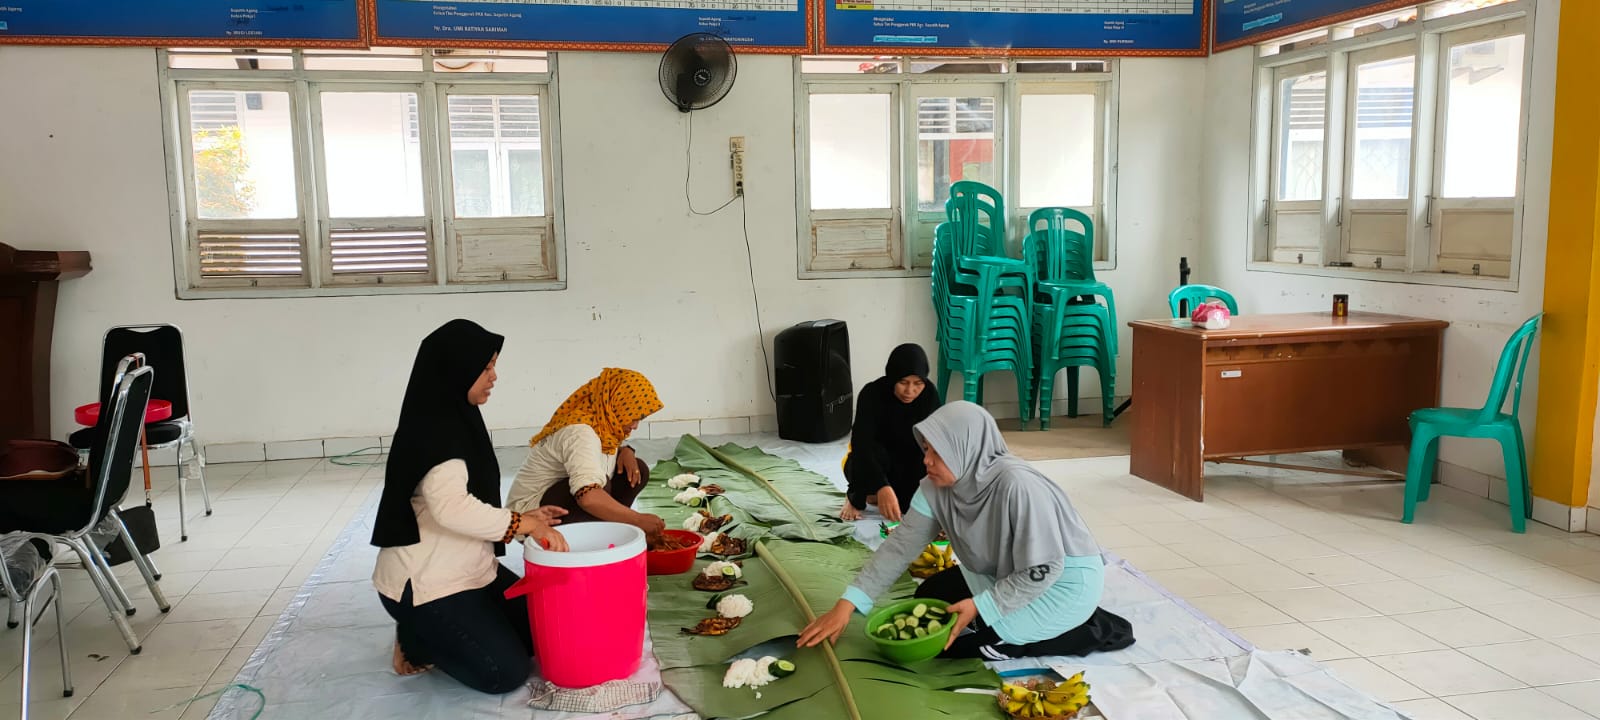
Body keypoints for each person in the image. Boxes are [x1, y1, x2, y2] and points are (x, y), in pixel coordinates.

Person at [798, 402, 1133, 661]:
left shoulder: (1016, 486)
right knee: (930, 596)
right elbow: (900, 546)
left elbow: (1045, 567)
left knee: (950, 645)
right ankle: (1014, 615)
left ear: (966, 449)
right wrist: (847, 604)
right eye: (926, 449)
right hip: (1009, 572)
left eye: (936, 452)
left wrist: (982, 607)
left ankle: (1088, 628)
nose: (926, 461)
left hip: (1060, 582)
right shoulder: (936, 487)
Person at [371, 319, 570, 694]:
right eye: (486, 367)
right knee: (504, 673)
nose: (494, 376)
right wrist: (524, 525)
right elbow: (451, 507)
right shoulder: (437, 431)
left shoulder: (455, 417)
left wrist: (526, 518)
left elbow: (472, 500)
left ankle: (444, 631)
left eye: (493, 365)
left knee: (546, 632)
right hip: (429, 586)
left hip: (473, 570)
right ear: (456, 369)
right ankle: (416, 637)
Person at [506, 368, 667, 540]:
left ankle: (606, 530)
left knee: (637, 470)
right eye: (633, 417)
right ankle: (581, 540)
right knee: (596, 487)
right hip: (530, 516)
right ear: (616, 405)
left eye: (639, 419)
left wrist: (626, 451)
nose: (635, 426)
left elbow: (601, 451)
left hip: (560, 499)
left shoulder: (604, 424)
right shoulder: (580, 433)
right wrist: (637, 520)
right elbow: (588, 497)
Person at [840, 343, 942, 523]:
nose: (910, 391)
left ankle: (878, 494)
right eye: (903, 382)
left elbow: (937, 441)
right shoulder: (872, 394)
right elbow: (861, 445)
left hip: (909, 461)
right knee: (865, 455)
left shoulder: (929, 395)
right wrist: (881, 486)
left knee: (908, 506)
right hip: (875, 459)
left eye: (918, 383)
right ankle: (857, 498)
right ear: (892, 377)